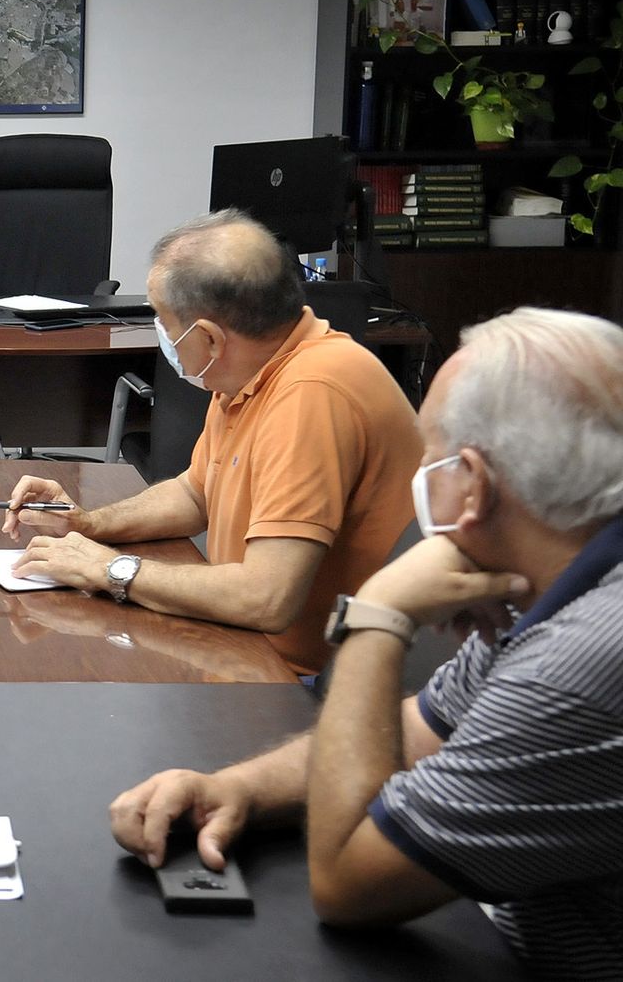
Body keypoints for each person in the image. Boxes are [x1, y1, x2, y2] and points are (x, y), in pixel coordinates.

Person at [106, 308, 623, 979]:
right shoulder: (554, 588)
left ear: (472, 483)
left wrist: (377, 614)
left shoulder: (580, 663)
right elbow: (418, 733)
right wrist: (239, 787)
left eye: (431, 458)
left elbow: (348, 880)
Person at [5, 209, 421, 674]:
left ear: (208, 338)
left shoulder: (312, 392)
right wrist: (88, 524)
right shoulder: (250, 372)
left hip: (314, 683)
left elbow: (267, 599)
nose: (162, 336)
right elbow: (195, 492)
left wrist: (110, 570)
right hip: (246, 651)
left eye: (162, 321)